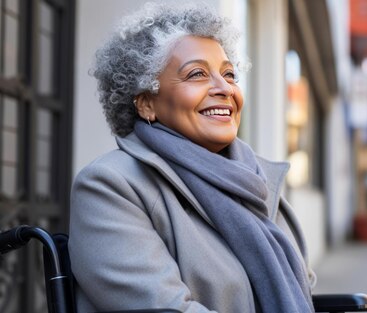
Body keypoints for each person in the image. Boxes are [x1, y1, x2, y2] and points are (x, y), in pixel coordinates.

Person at [68, 3, 316, 312]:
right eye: (197, 74)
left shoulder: (258, 181)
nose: (224, 88)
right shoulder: (110, 186)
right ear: (146, 103)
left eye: (229, 74)